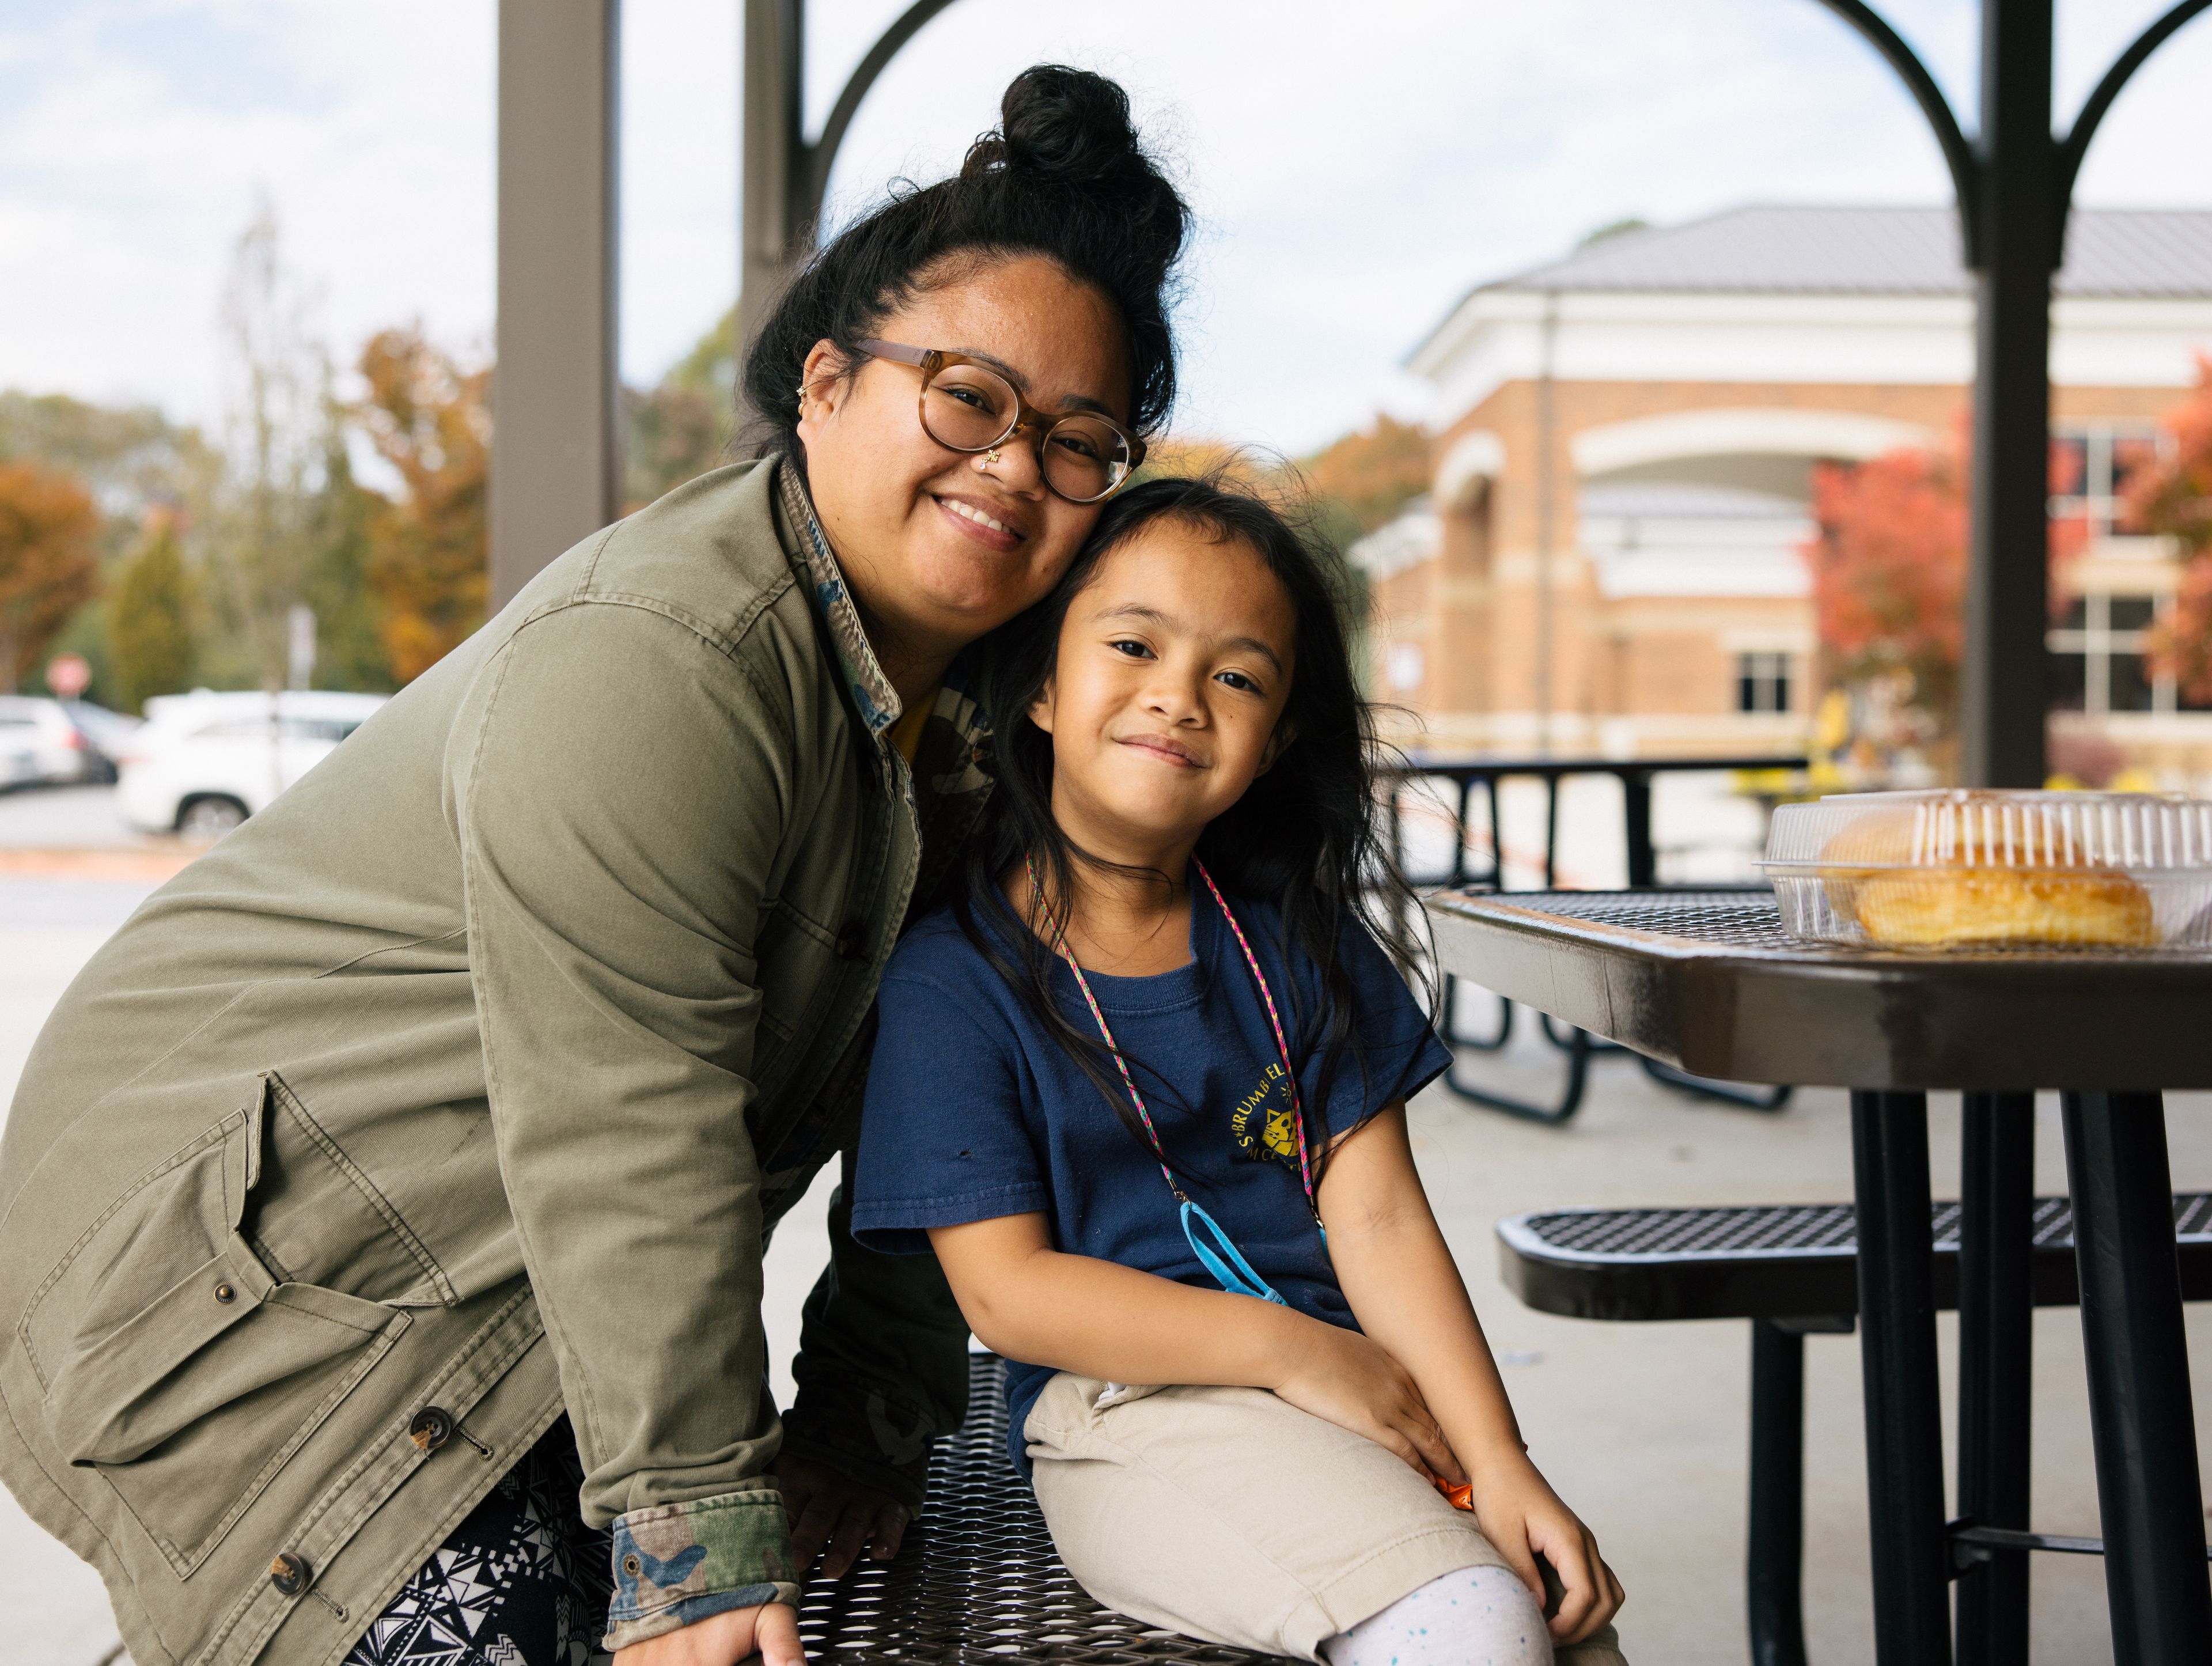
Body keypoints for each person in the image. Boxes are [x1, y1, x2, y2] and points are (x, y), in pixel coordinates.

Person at [0, 66, 1186, 1666]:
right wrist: (695, 1529)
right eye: (969, 395)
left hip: (494, 1283)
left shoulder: (958, 739)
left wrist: (862, 1418)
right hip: (236, 1280)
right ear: (825, 383)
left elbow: (950, 1120)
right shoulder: (668, 654)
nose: (1013, 463)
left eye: (1079, 439)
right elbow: (630, 1117)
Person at [851, 477, 1628, 1664]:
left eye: (1239, 676)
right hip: (1127, 1409)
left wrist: (1500, 1462)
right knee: (1471, 1623)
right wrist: (1295, 1351)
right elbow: (1009, 1294)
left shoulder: (1295, 940)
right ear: (1043, 686)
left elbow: (1375, 1218)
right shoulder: (953, 981)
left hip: (1350, 1394)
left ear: (1273, 747)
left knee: (1559, 1619)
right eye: (1132, 644)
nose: (1179, 694)